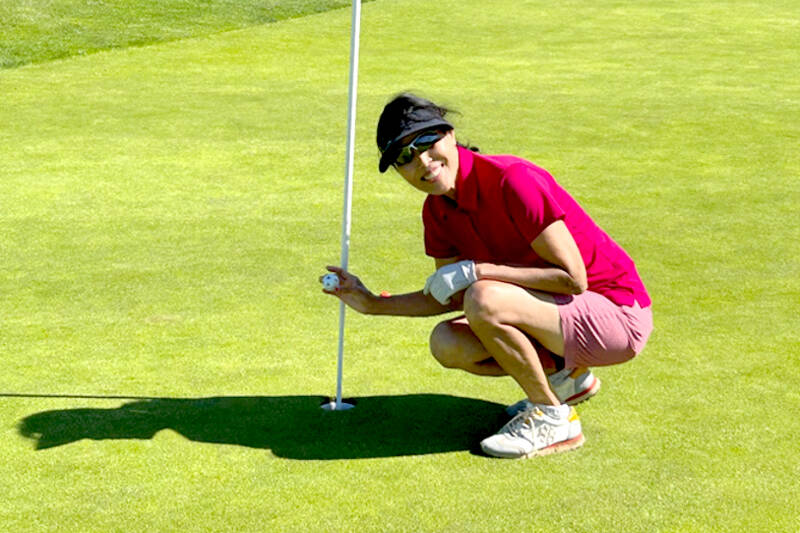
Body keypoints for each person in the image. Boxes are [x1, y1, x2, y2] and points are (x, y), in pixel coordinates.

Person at [322, 93, 653, 459]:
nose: (423, 162)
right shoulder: (436, 212)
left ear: (448, 134)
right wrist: (371, 304)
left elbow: (573, 279)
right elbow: (450, 296)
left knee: (484, 297)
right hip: (559, 318)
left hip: (618, 316)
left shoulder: (513, 180)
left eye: (426, 143)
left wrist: (476, 271)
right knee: (447, 341)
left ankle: (553, 418)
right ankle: (567, 380)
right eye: (404, 157)